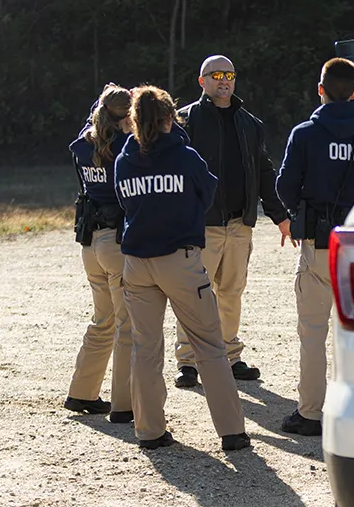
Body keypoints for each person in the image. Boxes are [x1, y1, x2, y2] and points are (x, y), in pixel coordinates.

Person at [113, 84, 251, 451]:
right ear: (169, 119)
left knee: (145, 348)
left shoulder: (124, 160)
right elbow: (208, 195)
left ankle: (149, 431)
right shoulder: (185, 156)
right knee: (209, 343)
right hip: (180, 260)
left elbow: (124, 205)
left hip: (137, 263)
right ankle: (232, 432)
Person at [275, 58, 354, 436]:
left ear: (320, 89)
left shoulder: (305, 133)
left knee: (312, 332)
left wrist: (300, 213)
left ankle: (310, 413)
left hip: (318, 243)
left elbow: (285, 185)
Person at [170, 55, 292, 389]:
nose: (224, 81)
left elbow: (264, 170)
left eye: (230, 75)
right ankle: (188, 362)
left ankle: (230, 355)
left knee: (232, 291)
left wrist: (280, 216)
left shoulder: (249, 123)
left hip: (240, 224)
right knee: (194, 293)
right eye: (217, 75)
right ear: (202, 81)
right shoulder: (185, 121)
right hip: (200, 225)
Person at [63, 84, 134, 424]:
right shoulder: (126, 147)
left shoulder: (83, 144)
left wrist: (106, 100)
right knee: (128, 326)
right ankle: (125, 404)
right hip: (117, 243)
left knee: (103, 321)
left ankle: (82, 392)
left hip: (90, 241)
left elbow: (96, 117)